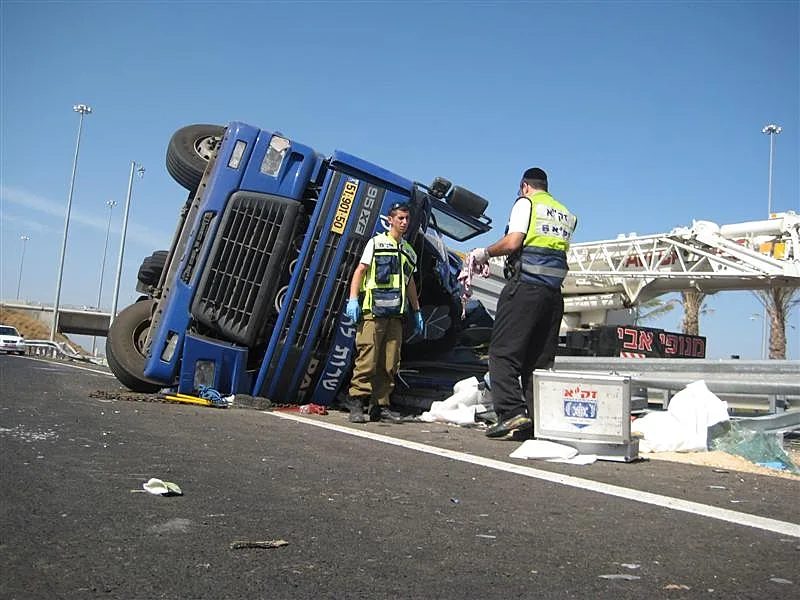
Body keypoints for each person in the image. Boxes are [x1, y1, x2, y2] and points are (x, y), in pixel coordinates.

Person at [470, 168, 577, 439]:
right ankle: (536, 422)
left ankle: (511, 412)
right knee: (538, 363)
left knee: (503, 353)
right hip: (553, 296)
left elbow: (514, 241)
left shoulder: (526, 203)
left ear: (524, 186)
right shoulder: (565, 213)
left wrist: (485, 253)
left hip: (525, 288)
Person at [344, 202, 424, 423]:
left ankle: (380, 406)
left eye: (407, 218)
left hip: (395, 316)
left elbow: (409, 284)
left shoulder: (409, 252)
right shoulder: (376, 243)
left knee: (390, 363)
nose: (404, 222)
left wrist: (416, 311)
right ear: (390, 220)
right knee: (367, 359)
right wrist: (353, 300)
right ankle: (357, 402)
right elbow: (360, 271)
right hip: (374, 312)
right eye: (400, 218)